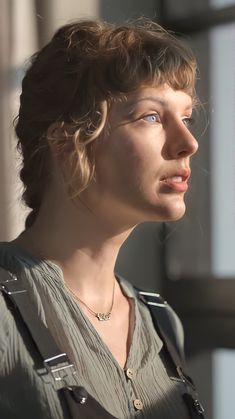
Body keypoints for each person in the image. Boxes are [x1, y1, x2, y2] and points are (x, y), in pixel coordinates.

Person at [0, 18, 204, 419]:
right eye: (151, 116)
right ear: (67, 144)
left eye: (187, 118)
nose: (189, 143)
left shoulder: (162, 323)